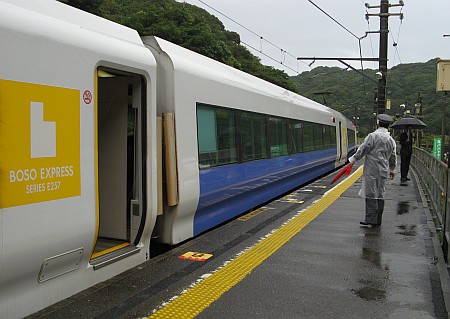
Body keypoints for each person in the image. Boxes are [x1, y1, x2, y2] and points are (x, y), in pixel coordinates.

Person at [348, 114, 397, 228]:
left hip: (371, 169)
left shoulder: (372, 136)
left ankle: (370, 219)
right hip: (383, 170)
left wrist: (353, 160)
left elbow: (363, 149)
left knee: (370, 193)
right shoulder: (391, 140)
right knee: (380, 193)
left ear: (378, 123)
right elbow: (393, 156)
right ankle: (378, 219)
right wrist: (392, 169)